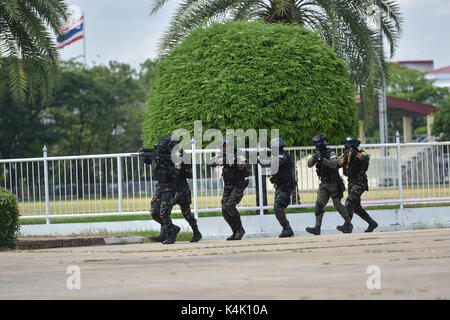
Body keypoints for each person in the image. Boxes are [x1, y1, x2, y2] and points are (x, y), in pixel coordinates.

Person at [150, 148, 203, 243]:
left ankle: (196, 232)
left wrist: (177, 163)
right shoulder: (164, 157)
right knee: (163, 211)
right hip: (169, 188)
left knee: (186, 213)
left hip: (181, 188)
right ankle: (166, 233)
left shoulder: (182, 155)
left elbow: (186, 172)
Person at [306, 134, 353, 235]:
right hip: (324, 184)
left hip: (334, 183)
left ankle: (348, 224)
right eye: (315, 143)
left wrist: (323, 160)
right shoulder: (317, 153)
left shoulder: (330, 152)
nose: (317, 145)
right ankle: (317, 228)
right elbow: (309, 165)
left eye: (318, 143)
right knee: (318, 206)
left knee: (337, 205)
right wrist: (315, 157)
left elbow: (335, 164)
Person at [209, 137, 249, 240]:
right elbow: (210, 163)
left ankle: (240, 229)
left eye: (226, 146)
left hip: (238, 185)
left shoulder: (238, 153)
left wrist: (238, 163)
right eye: (223, 147)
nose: (224, 148)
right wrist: (221, 160)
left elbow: (244, 167)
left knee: (230, 206)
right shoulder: (223, 155)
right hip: (228, 187)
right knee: (224, 210)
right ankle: (234, 231)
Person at [143, 136, 180, 244]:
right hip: (160, 186)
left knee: (164, 213)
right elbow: (147, 162)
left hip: (170, 187)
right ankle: (173, 228)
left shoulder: (175, 156)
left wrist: (164, 161)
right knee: (154, 212)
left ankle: (171, 235)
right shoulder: (159, 155)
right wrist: (150, 157)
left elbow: (177, 172)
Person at [337, 137, 378, 233]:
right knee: (356, 208)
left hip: (360, 183)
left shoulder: (361, 153)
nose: (349, 148)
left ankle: (347, 225)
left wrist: (355, 154)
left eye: (350, 146)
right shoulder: (346, 155)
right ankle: (372, 223)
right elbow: (338, 164)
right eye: (348, 146)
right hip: (351, 183)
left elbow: (365, 157)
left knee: (349, 202)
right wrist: (345, 157)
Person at [259, 138, 296, 237]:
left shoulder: (283, 157)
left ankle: (287, 229)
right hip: (280, 187)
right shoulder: (278, 156)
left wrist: (259, 158)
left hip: (285, 187)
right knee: (278, 208)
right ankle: (287, 229)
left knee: (277, 207)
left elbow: (269, 163)